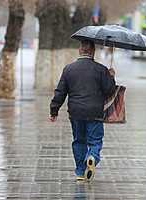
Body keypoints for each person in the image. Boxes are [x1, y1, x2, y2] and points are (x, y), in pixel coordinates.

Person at [49, 40, 116, 182]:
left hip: (75, 112)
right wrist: (111, 77)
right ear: (93, 52)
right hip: (95, 113)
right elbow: (109, 91)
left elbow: (60, 92)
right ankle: (91, 156)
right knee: (95, 141)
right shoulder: (101, 69)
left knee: (79, 141)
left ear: (80, 51)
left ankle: (80, 172)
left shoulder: (69, 69)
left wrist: (54, 110)